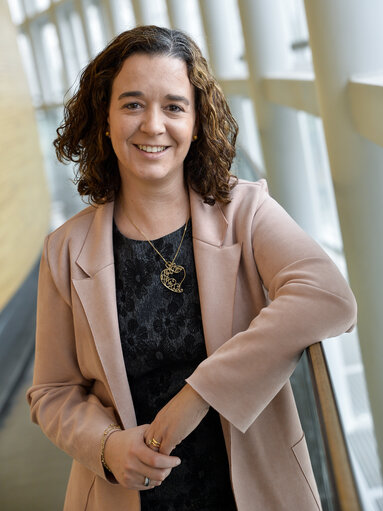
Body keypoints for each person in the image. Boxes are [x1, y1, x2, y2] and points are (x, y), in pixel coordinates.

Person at [27, 25, 357, 511]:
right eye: (133, 104)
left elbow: (328, 297)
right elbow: (52, 391)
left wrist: (199, 393)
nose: (153, 125)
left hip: (251, 488)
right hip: (126, 491)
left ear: (197, 121)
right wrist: (106, 446)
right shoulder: (64, 248)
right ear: (106, 118)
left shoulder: (245, 210)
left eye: (174, 106)